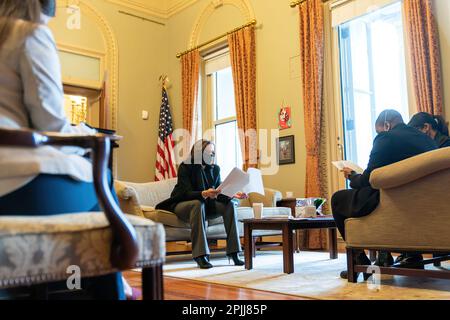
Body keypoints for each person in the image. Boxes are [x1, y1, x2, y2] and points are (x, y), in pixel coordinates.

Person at [0, 0, 133, 300]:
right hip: (17, 184)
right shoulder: (29, 33)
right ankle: (110, 289)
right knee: (103, 176)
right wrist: (90, 134)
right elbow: (52, 124)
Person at [331, 110, 437, 280]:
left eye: (378, 130)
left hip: (392, 202)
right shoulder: (429, 141)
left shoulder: (386, 138)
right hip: (425, 206)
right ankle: (389, 256)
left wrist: (351, 176)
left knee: (338, 199)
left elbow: (368, 179)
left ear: (386, 125)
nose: (378, 135)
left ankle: (359, 260)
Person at [156, 140, 247, 269]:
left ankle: (234, 252)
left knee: (230, 204)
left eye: (213, 153)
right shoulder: (186, 167)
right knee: (197, 203)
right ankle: (200, 255)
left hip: (205, 205)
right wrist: (204, 193)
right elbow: (185, 193)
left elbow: (217, 192)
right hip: (182, 204)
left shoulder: (215, 169)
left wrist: (232, 194)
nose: (212, 156)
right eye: (209, 153)